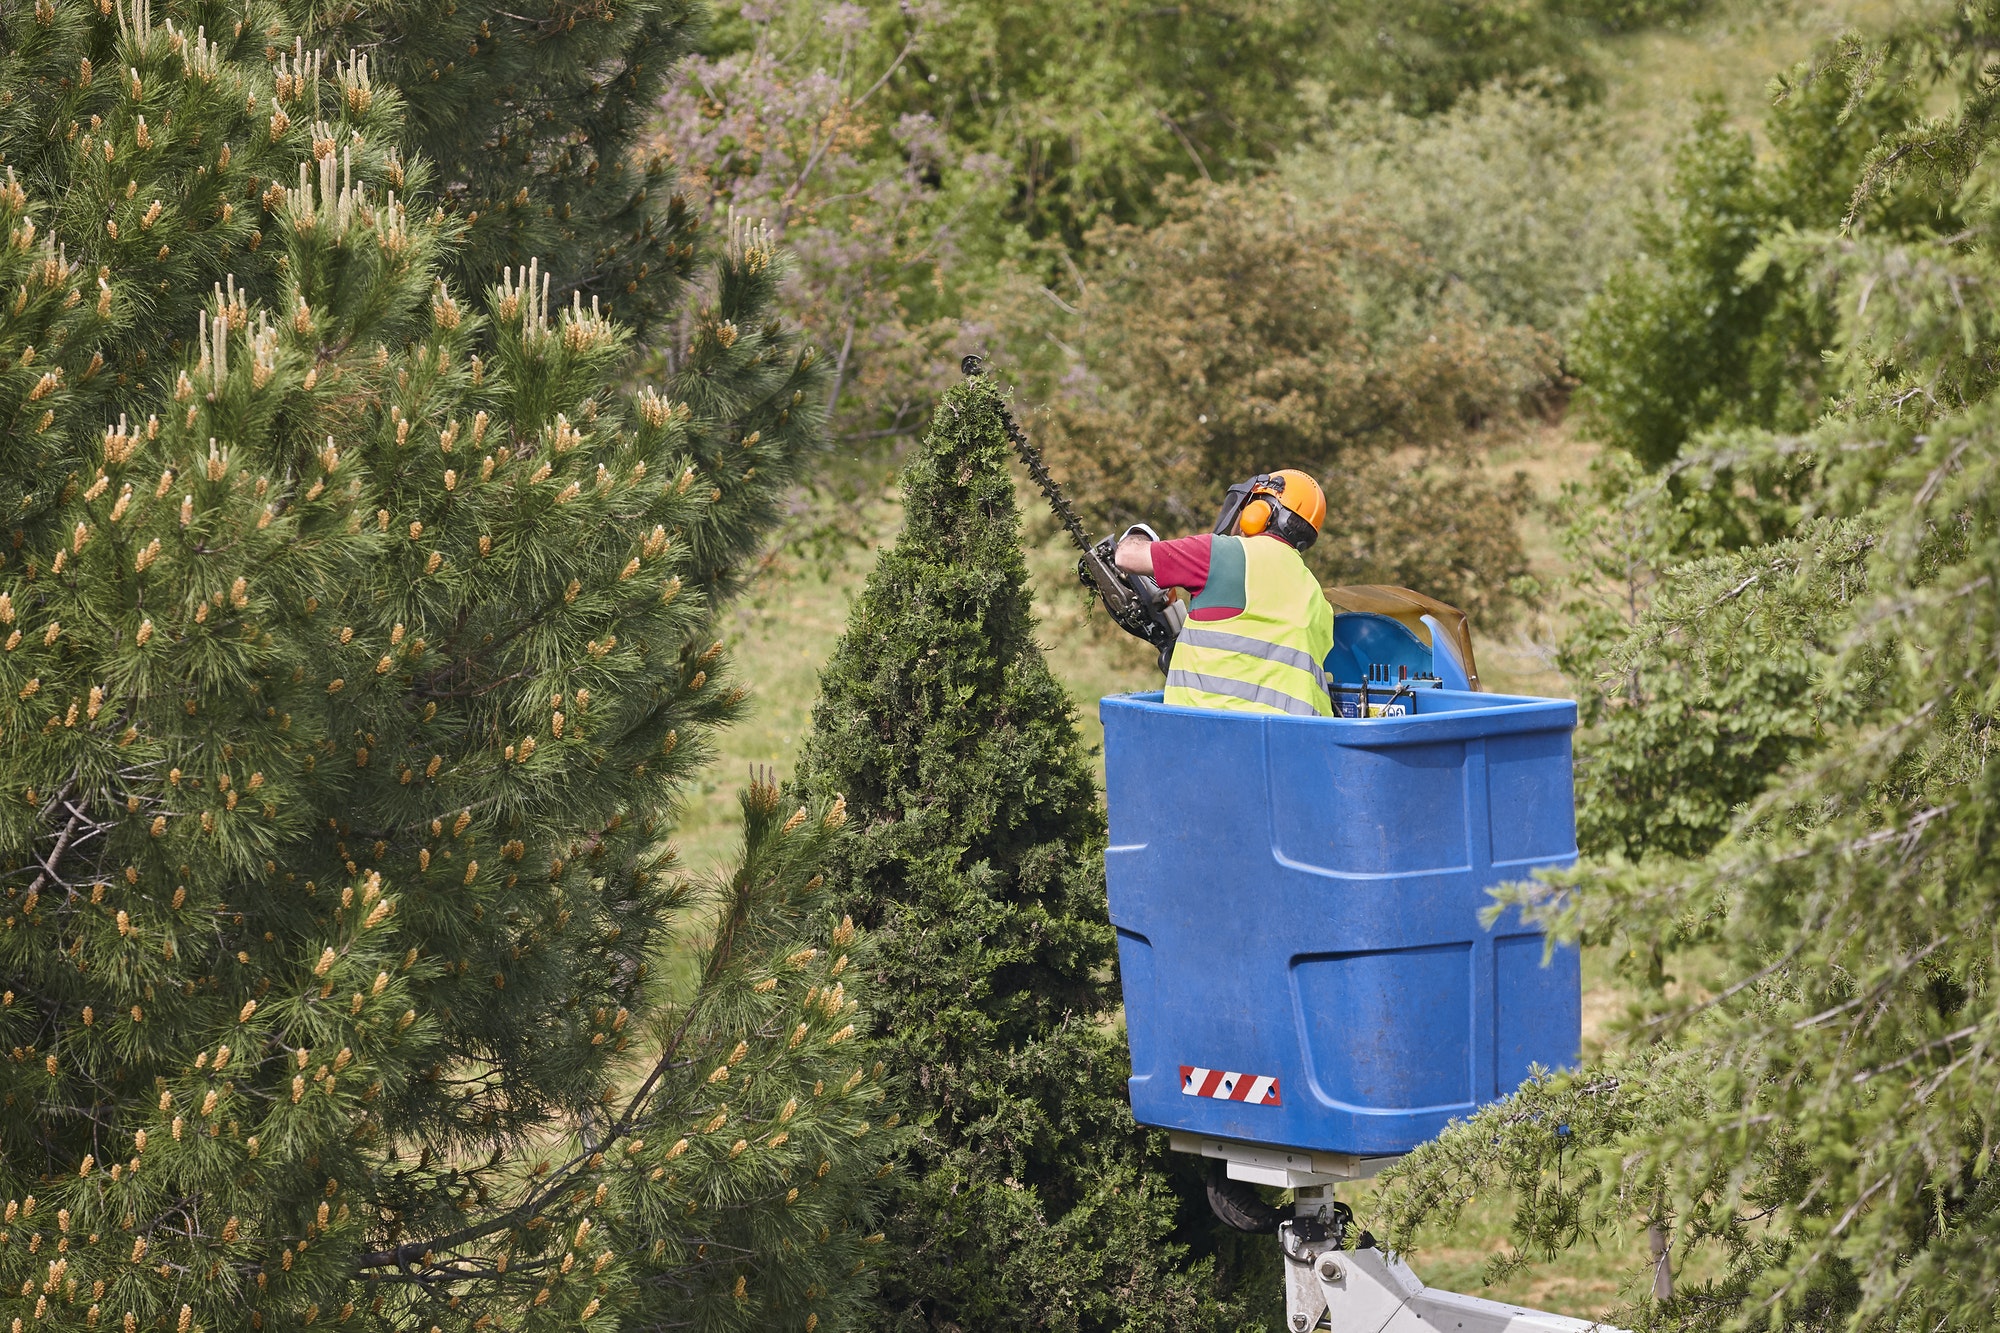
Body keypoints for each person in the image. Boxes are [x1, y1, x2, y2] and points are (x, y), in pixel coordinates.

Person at [1114, 470, 1334, 718]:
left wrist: (1140, 533)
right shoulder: (1318, 597)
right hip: (1298, 741)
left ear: (1261, 511)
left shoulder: (1223, 553)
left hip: (1214, 735)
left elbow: (1126, 556)